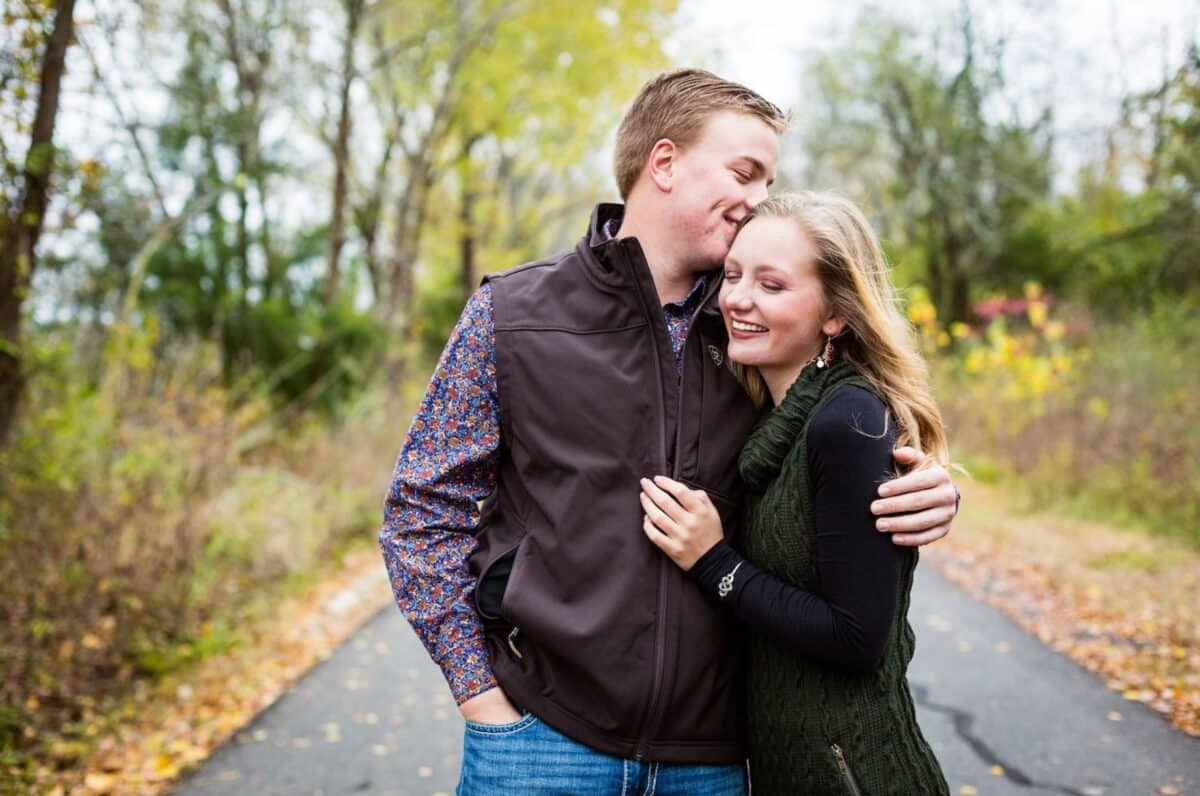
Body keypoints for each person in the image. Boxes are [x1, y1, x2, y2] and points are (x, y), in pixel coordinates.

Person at [378, 70, 960, 795]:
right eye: (745, 172)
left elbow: (852, 428)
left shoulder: (759, 328)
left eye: (769, 178)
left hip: (714, 760)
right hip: (540, 741)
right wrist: (480, 695)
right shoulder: (512, 313)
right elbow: (420, 510)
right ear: (664, 163)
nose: (758, 198)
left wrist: (929, 483)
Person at [639, 191, 951, 794]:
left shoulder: (847, 421)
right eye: (732, 275)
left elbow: (857, 639)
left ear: (835, 314)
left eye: (773, 285)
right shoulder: (775, 422)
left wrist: (713, 562)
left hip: (855, 773)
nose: (737, 299)